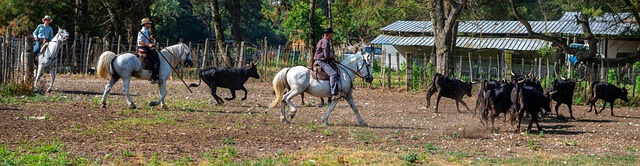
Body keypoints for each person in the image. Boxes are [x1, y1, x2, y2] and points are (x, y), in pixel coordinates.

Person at [314, 28, 341, 99]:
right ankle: (333, 93)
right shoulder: (325, 41)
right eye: (331, 34)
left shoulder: (323, 40)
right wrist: (332, 56)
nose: (332, 35)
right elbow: (326, 55)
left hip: (322, 60)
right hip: (321, 61)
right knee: (333, 74)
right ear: (327, 34)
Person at [137, 18, 161, 84]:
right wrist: (149, 45)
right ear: (145, 24)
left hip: (146, 47)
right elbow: (140, 42)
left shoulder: (146, 31)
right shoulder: (143, 31)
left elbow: (145, 40)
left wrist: (150, 38)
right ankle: (154, 78)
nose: (150, 25)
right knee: (156, 61)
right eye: (149, 24)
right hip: (144, 48)